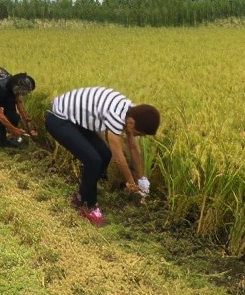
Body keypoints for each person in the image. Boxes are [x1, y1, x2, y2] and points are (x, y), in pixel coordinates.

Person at [45, 86, 160, 226]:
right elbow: (119, 158)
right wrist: (130, 183)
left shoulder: (132, 113)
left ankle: (82, 195)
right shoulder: (116, 115)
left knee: (104, 155)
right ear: (131, 123)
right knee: (93, 160)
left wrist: (141, 180)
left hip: (76, 121)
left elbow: (133, 148)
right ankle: (87, 206)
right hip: (59, 119)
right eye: (138, 133)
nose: (137, 136)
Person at [0, 72, 37, 148]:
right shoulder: (0, 89)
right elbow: (0, 115)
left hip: (7, 96)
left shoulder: (14, 84)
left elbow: (19, 103)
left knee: (14, 117)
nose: (23, 93)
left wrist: (28, 122)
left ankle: (10, 137)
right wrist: (14, 130)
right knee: (0, 121)